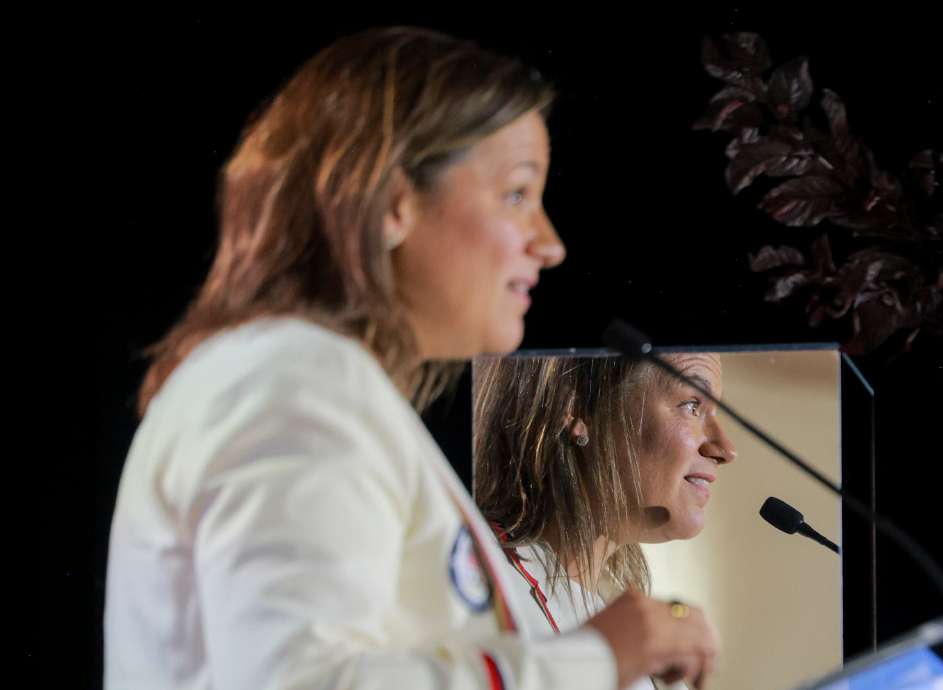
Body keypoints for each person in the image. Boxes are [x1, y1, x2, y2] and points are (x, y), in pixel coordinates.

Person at [105, 26, 717, 690]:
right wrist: (594, 659)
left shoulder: (317, 385)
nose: (548, 243)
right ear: (393, 202)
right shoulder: (290, 385)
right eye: (516, 194)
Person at [473, 353, 736, 689]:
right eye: (691, 405)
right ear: (577, 407)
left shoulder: (648, 650)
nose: (725, 448)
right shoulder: (481, 585)